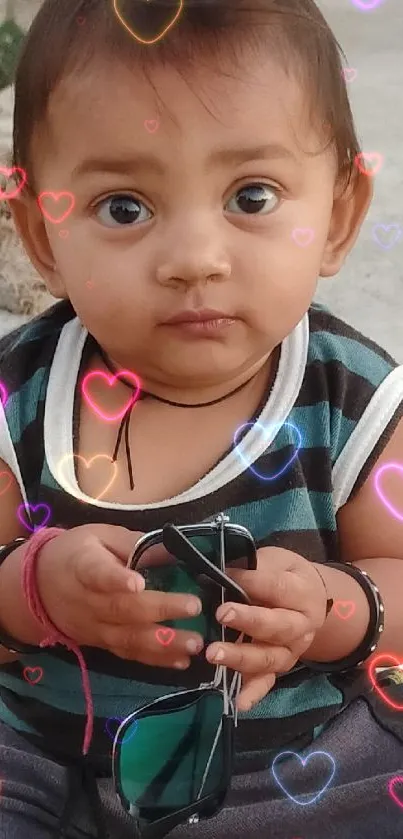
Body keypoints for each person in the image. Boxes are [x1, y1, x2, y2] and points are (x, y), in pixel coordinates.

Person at [0, 0, 402, 836]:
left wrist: (333, 606)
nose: (193, 259)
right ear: (42, 232)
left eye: (250, 195)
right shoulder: (23, 395)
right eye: (122, 207)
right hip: (49, 753)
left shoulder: (352, 397)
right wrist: (33, 587)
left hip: (302, 767)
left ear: (336, 215)